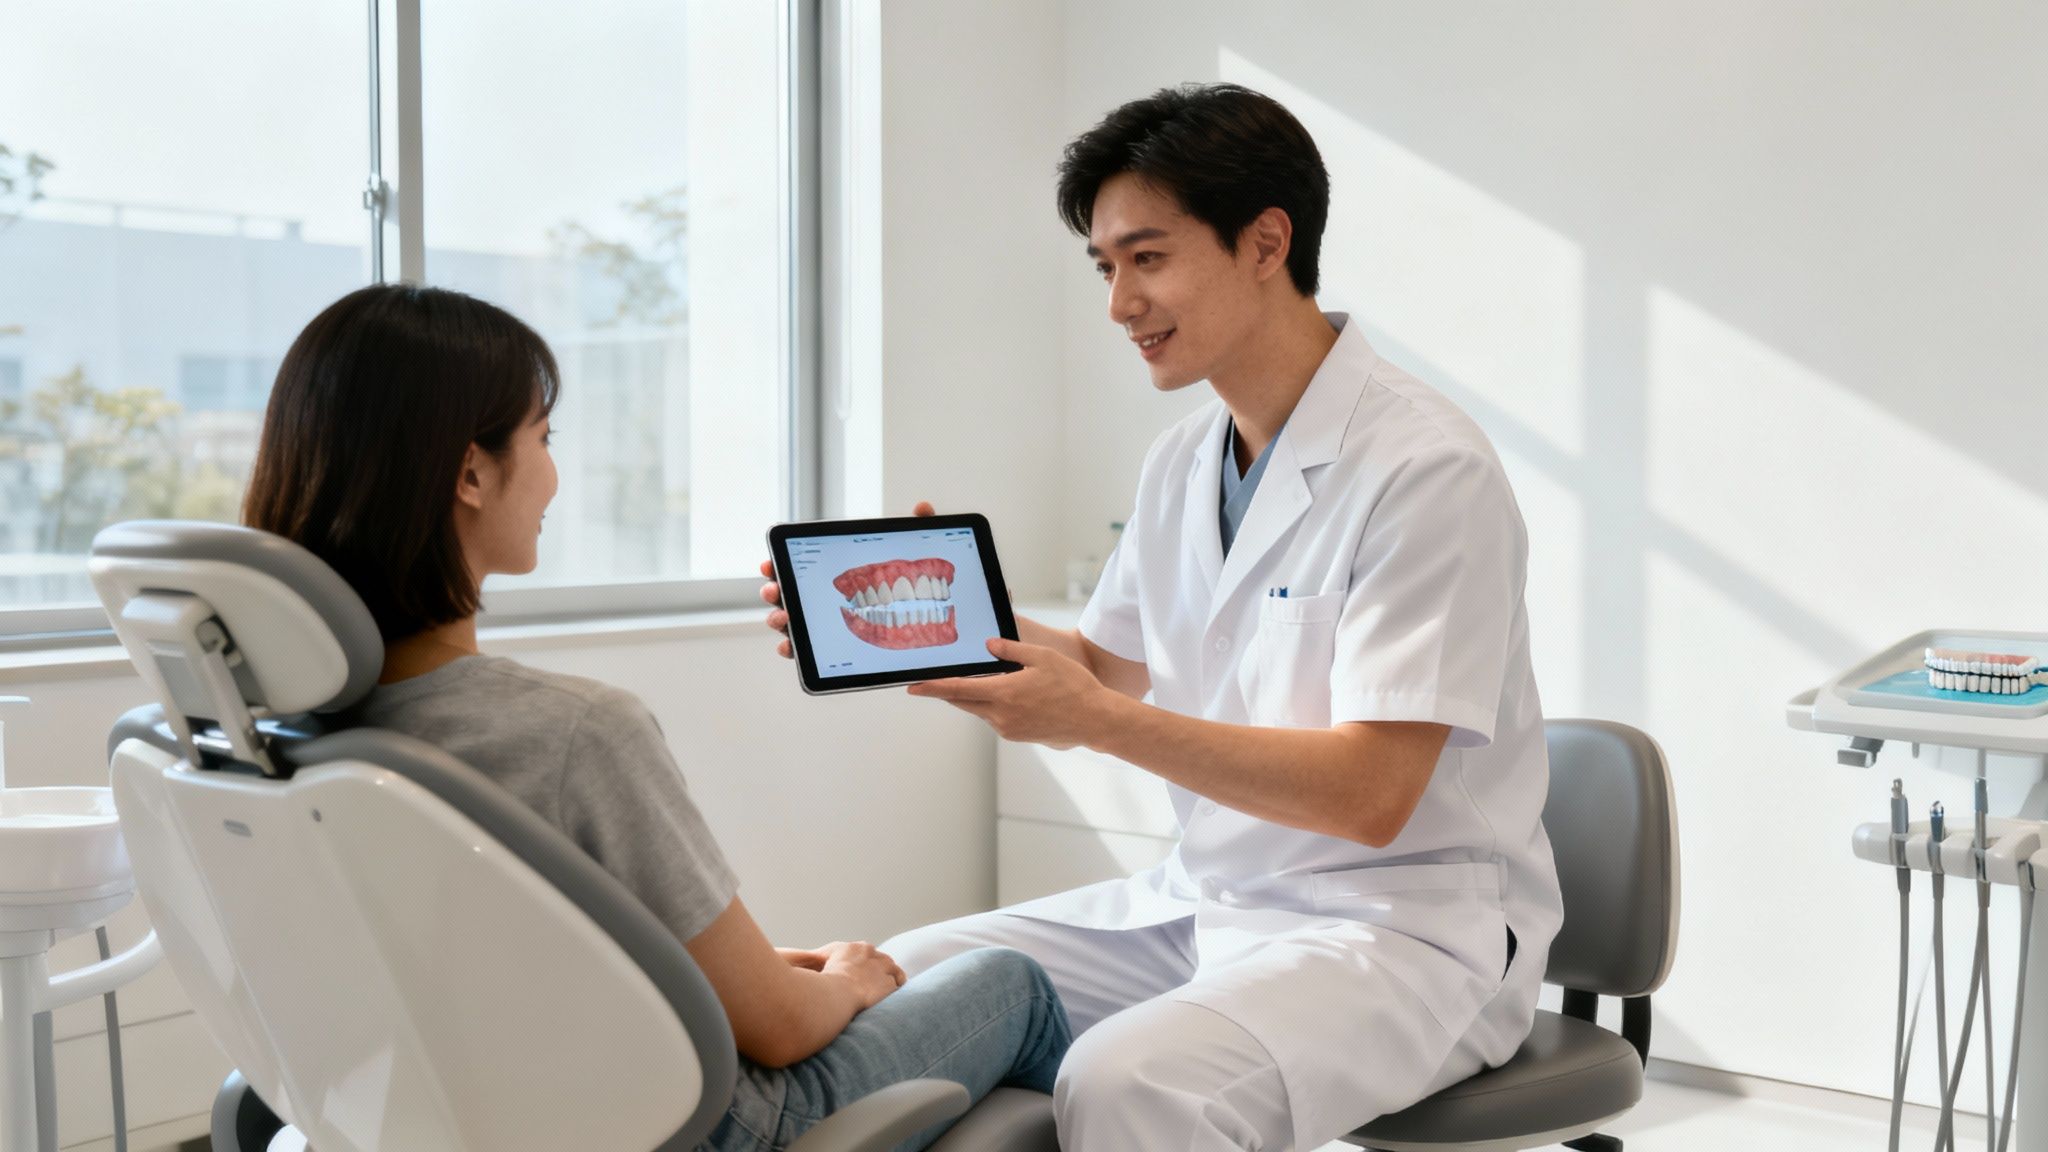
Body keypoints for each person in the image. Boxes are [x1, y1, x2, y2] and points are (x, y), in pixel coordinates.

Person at [763, 83, 1563, 1149]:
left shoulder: (1424, 468)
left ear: (1264, 241)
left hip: (1401, 930)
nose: (1117, 303)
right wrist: (952, 619)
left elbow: (1372, 795)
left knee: (1130, 1081)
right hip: (1205, 900)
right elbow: (1107, 663)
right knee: (896, 979)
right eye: (1103, 267)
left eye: (1146, 258)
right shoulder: (1184, 458)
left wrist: (1087, 718)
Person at [243, 284, 1071, 1152]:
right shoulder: (572, 731)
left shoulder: (281, 732)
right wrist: (855, 982)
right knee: (1008, 983)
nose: (555, 471)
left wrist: (755, 973)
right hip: (696, 1125)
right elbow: (783, 1032)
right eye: (544, 437)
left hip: (445, 1108)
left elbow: (515, 962)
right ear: (471, 472)